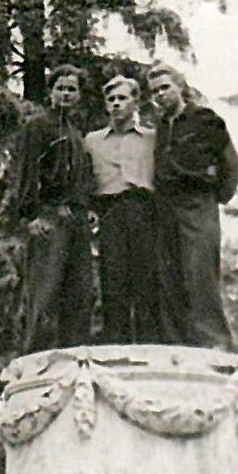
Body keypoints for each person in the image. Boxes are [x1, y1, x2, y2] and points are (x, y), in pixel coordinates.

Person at [145, 63, 238, 350]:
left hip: (198, 203)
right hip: (167, 206)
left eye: (165, 87)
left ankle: (215, 344)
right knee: (170, 275)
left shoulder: (204, 119)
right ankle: (178, 345)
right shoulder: (160, 128)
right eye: (155, 92)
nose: (160, 95)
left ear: (180, 86)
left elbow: (229, 162)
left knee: (200, 273)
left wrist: (216, 197)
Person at [14, 64, 94, 353]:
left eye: (72, 89)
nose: (66, 94)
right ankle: (36, 359)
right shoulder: (38, 125)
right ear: (51, 92)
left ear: (79, 96)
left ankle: (72, 357)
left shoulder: (75, 132)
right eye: (60, 88)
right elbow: (25, 172)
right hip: (48, 216)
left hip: (75, 220)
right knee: (44, 291)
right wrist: (29, 215)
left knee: (79, 291)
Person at [84, 75, 162, 344]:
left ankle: (150, 344)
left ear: (135, 102)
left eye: (122, 98)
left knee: (146, 277)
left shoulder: (151, 138)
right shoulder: (92, 141)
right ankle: (115, 342)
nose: (116, 104)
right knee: (113, 277)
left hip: (143, 210)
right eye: (111, 99)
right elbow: (84, 180)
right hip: (110, 212)